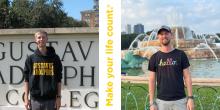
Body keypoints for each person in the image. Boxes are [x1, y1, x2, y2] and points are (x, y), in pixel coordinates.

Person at [148, 25, 194, 110]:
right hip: (161, 102)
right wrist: (152, 102)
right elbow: (151, 80)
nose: (164, 36)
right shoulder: (154, 57)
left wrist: (190, 98)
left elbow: (187, 77)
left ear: (171, 35)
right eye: (161, 34)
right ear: (158, 36)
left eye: (166, 33)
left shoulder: (181, 55)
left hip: (180, 101)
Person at [23, 30, 62, 110]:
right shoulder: (30, 59)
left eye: (43, 37)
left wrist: (58, 97)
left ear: (47, 39)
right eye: (39, 37)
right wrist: (26, 98)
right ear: (35, 40)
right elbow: (26, 80)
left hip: (51, 100)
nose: (41, 39)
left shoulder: (55, 58)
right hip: (35, 100)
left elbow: (59, 79)